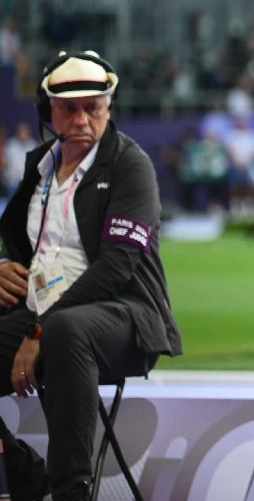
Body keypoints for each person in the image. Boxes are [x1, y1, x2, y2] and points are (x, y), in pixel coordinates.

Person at [0, 51, 182, 500]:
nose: (82, 118)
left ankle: (72, 492)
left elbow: (118, 266)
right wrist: (3, 267)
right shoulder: (38, 165)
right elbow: (19, 246)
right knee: (61, 326)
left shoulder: (130, 164)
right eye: (69, 108)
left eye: (93, 107)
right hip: (44, 317)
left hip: (124, 317)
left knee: (66, 328)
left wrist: (40, 330)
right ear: (48, 112)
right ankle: (23, 472)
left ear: (108, 109)